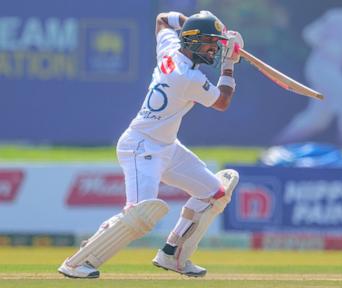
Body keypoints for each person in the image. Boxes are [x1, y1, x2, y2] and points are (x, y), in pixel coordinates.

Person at [57, 10, 243, 279]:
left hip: (167, 146)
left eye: (216, 44)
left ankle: (173, 255)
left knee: (215, 193)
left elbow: (163, 19)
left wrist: (205, 27)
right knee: (140, 215)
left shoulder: (171, 49)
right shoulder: (186, 77)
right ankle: (77, 263)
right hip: (141, 147)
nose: (214, 50)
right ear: (191, 41)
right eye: (210, 43)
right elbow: (222, 102)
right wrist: (229, 64)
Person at [275, 0, 342, 146]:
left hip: (337, 72)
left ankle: (280, 142)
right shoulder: (335, 17)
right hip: (319, 67)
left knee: (318, 119)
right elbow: (309, 33)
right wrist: (329, 45)